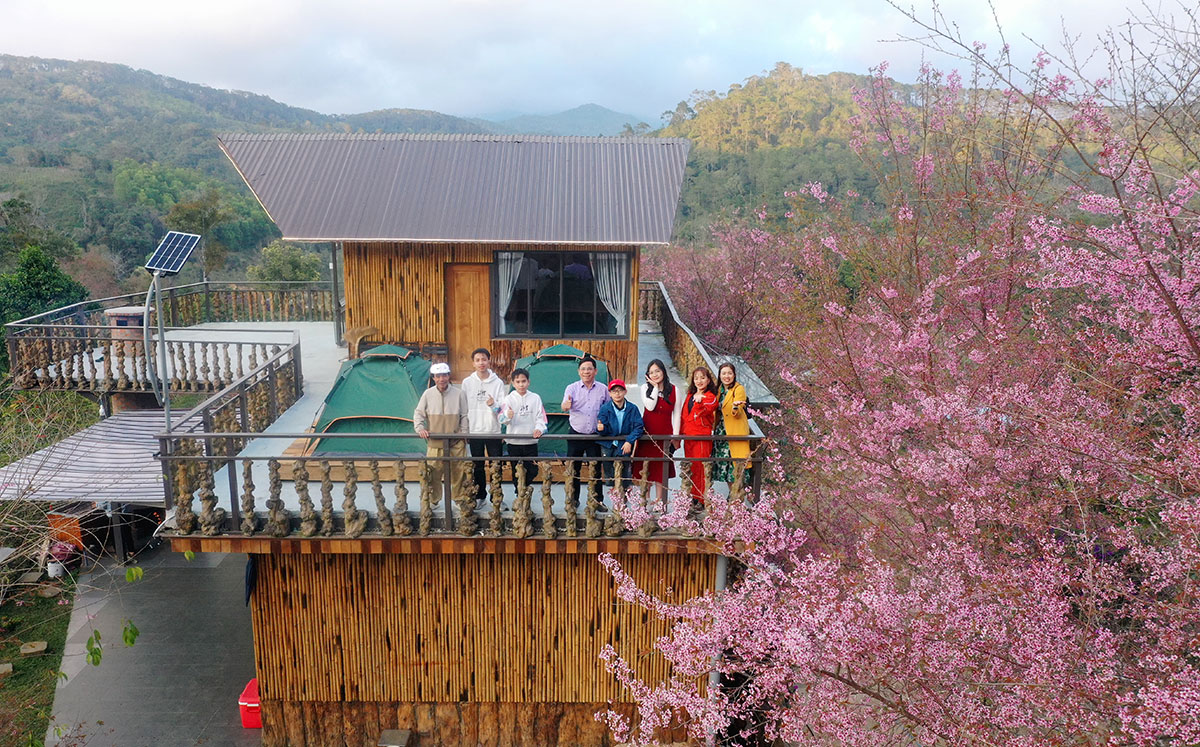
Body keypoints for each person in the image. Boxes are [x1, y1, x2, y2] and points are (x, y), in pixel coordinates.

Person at [413, 362, 469, 503]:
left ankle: (459, 500)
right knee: (433, 473)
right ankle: (434, 501)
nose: (441, 379)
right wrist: (420, 428)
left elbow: (464, 415)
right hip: (434, 442)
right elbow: (419, 413)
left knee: (458, 473)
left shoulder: (459, 393)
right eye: (438, 376)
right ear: (434, 378)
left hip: (456, 442)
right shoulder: (428, 394)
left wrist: (464, 434)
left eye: (444, 375)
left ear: (449, 376)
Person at [560, 354, 609, 505]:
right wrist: (566, 406)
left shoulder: (603, 389)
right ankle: (573, 500)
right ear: (578, 371)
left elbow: (608, 409)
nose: (586, 372)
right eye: (583, 369)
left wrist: (604, 424)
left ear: (595, 371)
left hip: (594, 435)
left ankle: (597, 501)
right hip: (576, 434)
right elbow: (564, 405)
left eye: (589, 369)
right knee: (574, 469)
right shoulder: (572, 388)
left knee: (595, 469)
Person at [632, 359, 683, 503]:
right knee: (646, 467)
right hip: (647, 434)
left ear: (663, 372)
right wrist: (654, 387)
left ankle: (660, 500)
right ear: (647, 375)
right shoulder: (645, 388)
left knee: (661, 469)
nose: (655, 374)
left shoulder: (674, 390)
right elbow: (650, 406)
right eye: (651, 372)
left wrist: (676, 437)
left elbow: (677, 414)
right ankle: (645, 500)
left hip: (665, 434)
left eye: (657, 371)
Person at [461, 348, 507, 505]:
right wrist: (465, 430)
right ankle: (480, 496)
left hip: (493, 430)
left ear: (489, 361)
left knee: (496, 464)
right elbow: (464, 408)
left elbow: (503, 407)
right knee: (478, 466)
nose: (481, 363)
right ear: (473, 363)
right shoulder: (467, 383)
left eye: (484, 359)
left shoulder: (498, 382)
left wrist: (493, 404)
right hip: (474, 431)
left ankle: (497, 497)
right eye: (478, 360)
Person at [500, 367, 547, 489]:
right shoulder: (509, 399)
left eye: (523, 381)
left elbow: (541, 418)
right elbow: (502, 419)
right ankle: (519, 493)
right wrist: (507, 416)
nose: (521, 384)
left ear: (528, 382)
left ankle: (525, 487)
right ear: (513, 383)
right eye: (518, 382)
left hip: (530, 441)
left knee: (532, 469)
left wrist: (539, 429)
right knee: (517, 471)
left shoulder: (535, 398)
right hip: (514, 442)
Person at [595, 379, 644, 493]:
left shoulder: (632, 408)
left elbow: (639, 427)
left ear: (625, 392)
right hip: (608, 443)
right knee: (608, 470)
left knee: (624, 468)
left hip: (624, 443)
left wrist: (629, 441)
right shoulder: (605, 408)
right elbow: (602, 428)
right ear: (610, 393)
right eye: (614, 391)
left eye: (620, 390)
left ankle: (624, 492)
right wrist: (601, 429)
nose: (617, 393)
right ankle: (613, 490)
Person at [680, 365, 719, 504]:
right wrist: (679, 436)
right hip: (688, 437)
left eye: (703, 378)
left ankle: (701, 499)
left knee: (701, 468)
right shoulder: (690, 395)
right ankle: (692, 496)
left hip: (701, 437)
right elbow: (684, 416)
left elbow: (709, 408)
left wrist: (699, 400)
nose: (699, 381)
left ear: (708, 380)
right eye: (696, 378)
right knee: (691, 467)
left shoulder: (710, 397)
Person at [712, 362, 750, 486]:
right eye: (723, 373)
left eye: (729, 373)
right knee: (726, 467)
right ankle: (732, 496)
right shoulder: (719, 390)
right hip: (721, 433)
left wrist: (735, 407)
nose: (726, 376)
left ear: (734, 375)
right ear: (719, 375)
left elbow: (739, 409)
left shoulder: (739, 389)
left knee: (735, 467)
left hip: (734, 432)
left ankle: (736, 498)